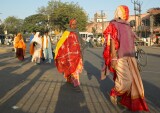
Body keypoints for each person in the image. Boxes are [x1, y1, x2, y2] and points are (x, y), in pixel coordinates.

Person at [102, 5, 149, 111]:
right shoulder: (113, 24)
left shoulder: (127, 26)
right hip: (120, 57)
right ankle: (114, 92)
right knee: (126, 81)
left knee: (135, 83)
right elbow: (112, 41)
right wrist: (113, 58)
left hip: (131, 57)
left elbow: (132, 43)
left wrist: (136, 58)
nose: (126, 13)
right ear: (120, 12)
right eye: (125, 11)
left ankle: (126, 103)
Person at [54, 19, 85, 90]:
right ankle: (76, 85)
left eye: (75, 24)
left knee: (76, 69)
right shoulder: (66, 33)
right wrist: (59, 52)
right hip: (69, 55)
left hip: (77, 55)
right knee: (71, 68)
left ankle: (71, 81)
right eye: (73, 24)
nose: (74, 26)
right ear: (70, 25)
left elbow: (81, 42)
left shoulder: (77, 32)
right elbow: (61, 43)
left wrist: (80, 48)